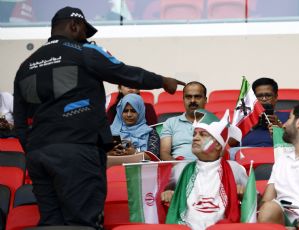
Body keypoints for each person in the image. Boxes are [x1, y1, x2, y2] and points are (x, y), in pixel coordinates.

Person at [13, 6, 184, 229]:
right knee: (83, 222)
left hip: (38, 156)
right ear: (74, 25)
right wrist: (162, 81)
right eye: (84, 31)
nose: (85, 37)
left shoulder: (26, 66)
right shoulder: (84, 52)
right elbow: (123, 72)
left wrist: (34, 149)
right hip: (77, 151)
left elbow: (20, 122)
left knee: (50, 222)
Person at [161, 110, 247, 229]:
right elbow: (166, 193)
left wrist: (245, 193)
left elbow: (256, 200)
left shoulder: (234, 169)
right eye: (194, 134)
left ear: (217, 144)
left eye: (202, 134)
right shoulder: (180, 169)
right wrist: (167, 193)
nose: (195, 138)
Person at [107, 94, 159, 167]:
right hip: (113, 171)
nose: (129, 114)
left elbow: (154, 156)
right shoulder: (109, 131)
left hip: (140, 172)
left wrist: (135, 153)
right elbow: (96, 154)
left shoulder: (151, 133)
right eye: (125, 111)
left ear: (140, 112)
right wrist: (108, 153)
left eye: (133, 111)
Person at [160, 81, 207, 161]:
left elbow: (220, 152)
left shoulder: (214, 123)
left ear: (205, 100)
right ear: (183, 99)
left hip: (207, 168)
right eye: (188, 97)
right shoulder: (171, 123)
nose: (192, 100)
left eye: (197, 97)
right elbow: (164, 153)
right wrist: (179, 167)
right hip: (179, 168)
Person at [240, 77, 289, 147]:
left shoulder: (289, 117)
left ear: (276, 97)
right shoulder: (245, 119)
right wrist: (251, 126)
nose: (264, 99)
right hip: (246, 155)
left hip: (278, 154)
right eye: (259, 96)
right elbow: (232, 144)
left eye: (268, 95)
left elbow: (297, 142)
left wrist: (280, 128)